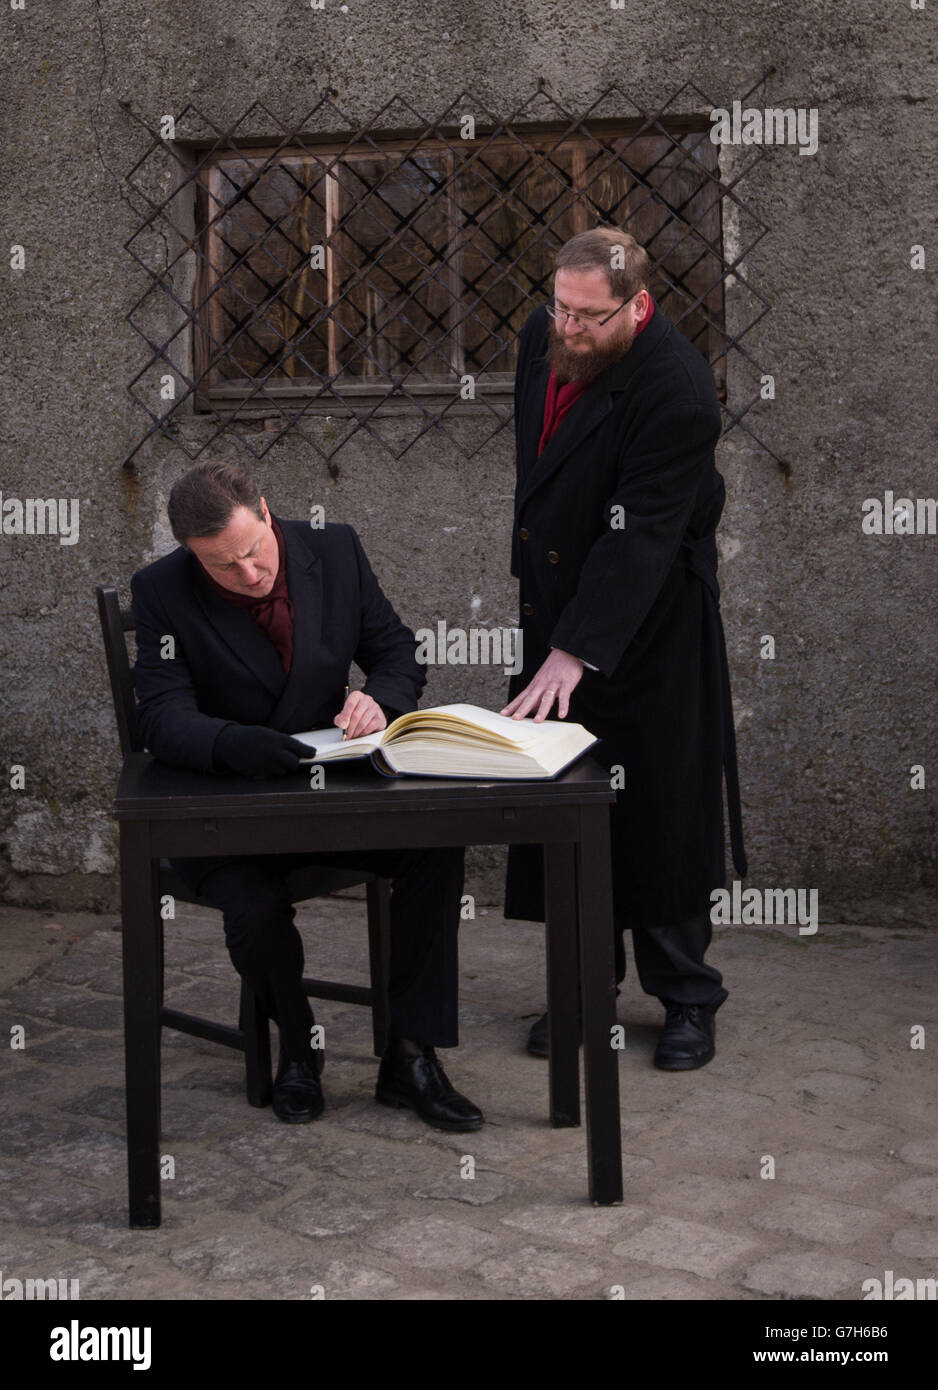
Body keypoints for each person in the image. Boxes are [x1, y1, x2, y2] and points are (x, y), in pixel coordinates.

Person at [130, 460, 482, 1130]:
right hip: (230, 807)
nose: (249, 575)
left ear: (266, 511)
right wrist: (232, 742)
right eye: (221, 566)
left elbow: (398, 651)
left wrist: (380, 698)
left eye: (253, 552)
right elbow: (161, 715)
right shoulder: (161, 591)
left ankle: (411, 1054)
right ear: (189, 553)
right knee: (253, 906)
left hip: (330, 791)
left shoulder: (335, 548)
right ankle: (297, 1044)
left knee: (436, 842)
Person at [501, 226, 747, 1070]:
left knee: (662, 810)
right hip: (558, 610)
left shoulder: (678, 390)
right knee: (567, 799)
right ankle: (581, 987)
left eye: (588, 317)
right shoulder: (547, 332)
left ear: (637, 306)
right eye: (559, 308)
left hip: (653, 629)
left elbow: (641, 534)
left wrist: (579, 650)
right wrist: (549, 626)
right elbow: (541, 463)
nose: (566, 330)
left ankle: (686, 998)